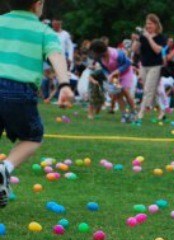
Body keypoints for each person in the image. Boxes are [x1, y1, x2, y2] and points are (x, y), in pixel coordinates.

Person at [0, 0, 74, 208]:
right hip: (19, 91)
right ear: (38, 4)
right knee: (32, 136)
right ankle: (5, 168)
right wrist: (64, 84)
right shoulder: (43, 30)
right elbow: (56, 56)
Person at [89, 39, 138, 123]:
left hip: (125, 72)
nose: (94, 54)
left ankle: (134, 112)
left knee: (126, 91)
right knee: (118, 93)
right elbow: (105, 68)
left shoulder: (116, 54)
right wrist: (109, 76)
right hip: (114, 76)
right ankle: (124, 114)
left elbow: (127, 63)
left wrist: (116, 72)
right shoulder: (99, 58)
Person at [132, 14, 167, 122]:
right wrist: (137, 40)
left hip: (156, 66)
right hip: (144, 65)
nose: (148, 26)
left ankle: (140, 113)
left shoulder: (161, 37)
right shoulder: (143, 36)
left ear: (156, 25)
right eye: (147, 23)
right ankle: (161, 111)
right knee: (151, 91)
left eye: (150, 24)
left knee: (147, 90)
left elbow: (157, 50)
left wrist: (149, 38)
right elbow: (134, 49)